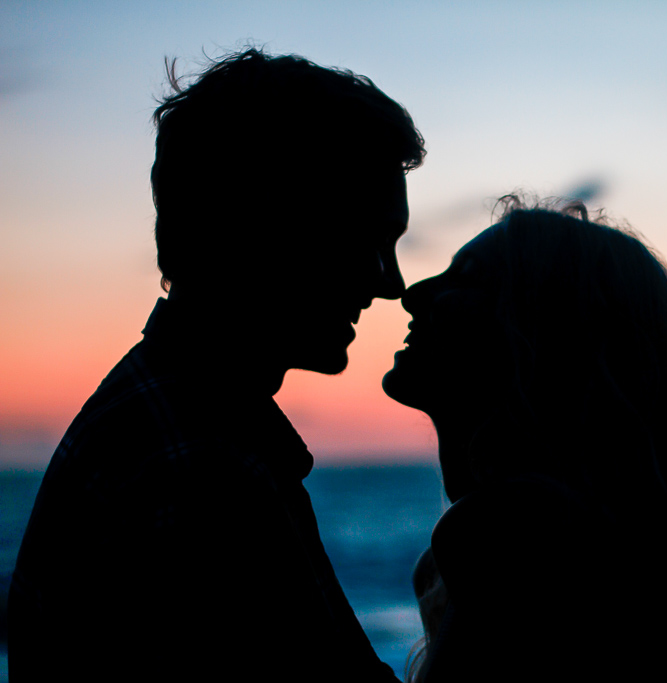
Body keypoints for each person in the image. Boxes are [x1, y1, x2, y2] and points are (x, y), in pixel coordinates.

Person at [9, 48, 424, 681]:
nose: (391, 284)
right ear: (272, 225)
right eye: (370, 240)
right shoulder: (201, 470)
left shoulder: (173, 420)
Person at [384, 198, 667, 682]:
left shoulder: (516, 531)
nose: (415, 294)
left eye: (465, 277)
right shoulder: (608, 541)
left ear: (541, 335)